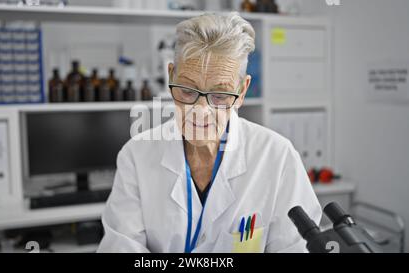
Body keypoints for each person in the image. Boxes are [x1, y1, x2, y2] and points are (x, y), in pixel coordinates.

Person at [97, 12, 321, 253]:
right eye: (187, 90)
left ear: (242, 91)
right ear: (171, 76)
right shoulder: (137, 155)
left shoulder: (277, 157)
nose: (201, 110)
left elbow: (296, 249)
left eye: (220, 95)